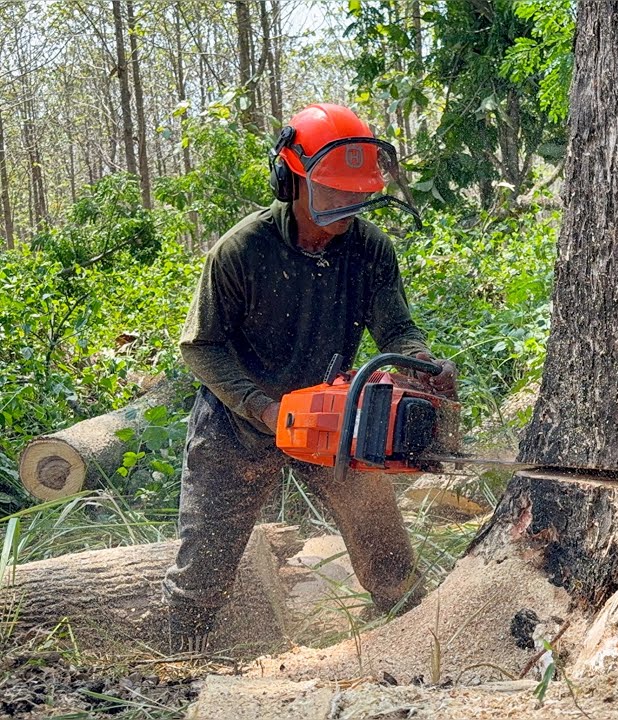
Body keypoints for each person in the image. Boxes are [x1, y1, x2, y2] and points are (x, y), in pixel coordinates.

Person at [163, 103, 456, 653]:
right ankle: (180, 663)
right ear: (290, 180)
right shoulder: (241, 250)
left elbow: (396, 329)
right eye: (332, 193)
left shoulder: (368, 248)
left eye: (355, 195)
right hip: (238, 423)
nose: (345, 208)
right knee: (203, 565)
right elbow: (199, 346)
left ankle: (415, 647)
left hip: (330, 419)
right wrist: (262, 407)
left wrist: (421, 363)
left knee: (388, 554)